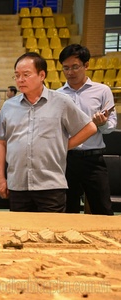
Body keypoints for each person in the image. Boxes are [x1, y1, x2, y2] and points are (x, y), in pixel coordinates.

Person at [0, 52, 97, 213]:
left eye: (26, 75)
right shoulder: (8, 106)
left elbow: (90, 128)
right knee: (19, 234)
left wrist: (63, 146)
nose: (20, 80)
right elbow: (1, 143)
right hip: (18, 185)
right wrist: (0, 179)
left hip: (51, 185)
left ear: (42, 75)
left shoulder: (61, 102)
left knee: (51, 235)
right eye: (17, 76)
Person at [57, 44, 117, 215]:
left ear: (86, 65)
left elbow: (110, 127)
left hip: (93, 159)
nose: (70, 72)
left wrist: (102, 123)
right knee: (68, 211)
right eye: (65, 68)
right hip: (67, 159)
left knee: (103, 209)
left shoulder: (102, 91)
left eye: (75, 67)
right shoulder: (58, 94)